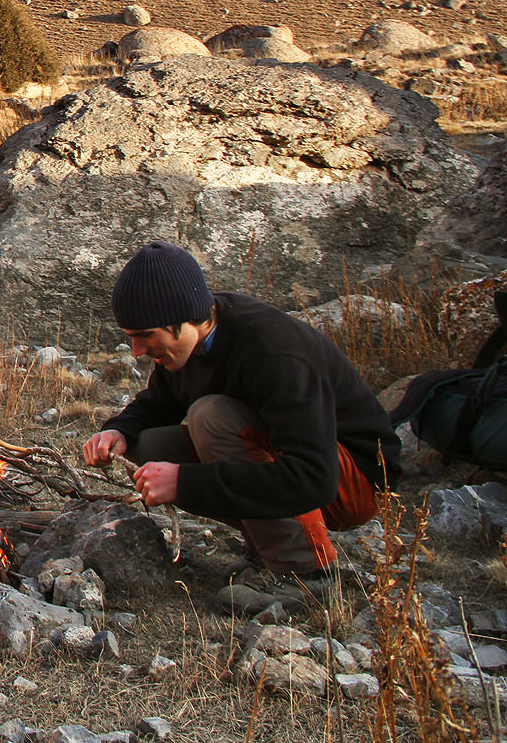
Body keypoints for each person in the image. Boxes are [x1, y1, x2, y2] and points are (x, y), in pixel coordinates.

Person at [82, 241, 400, 584]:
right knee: (148, 445)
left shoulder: (274, 352)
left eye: (144, 336)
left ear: (183, 320)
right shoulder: (189, 345)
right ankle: (266, 546)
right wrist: (119, 431)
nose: (137, 350)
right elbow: (159, 403)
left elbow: (314, 478)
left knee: (211, 417)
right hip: (300, 463)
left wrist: (185, 482)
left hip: (355, 478)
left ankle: (305, 574)